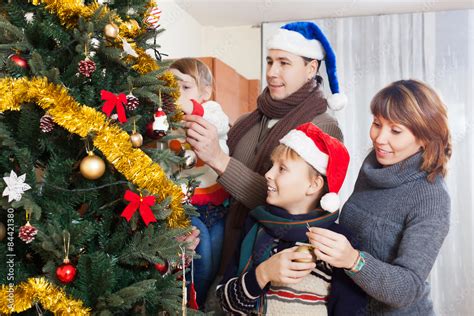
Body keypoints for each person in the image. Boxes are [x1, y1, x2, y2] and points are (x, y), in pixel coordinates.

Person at [184, 22, 347, 279]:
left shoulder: (322, 126)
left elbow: (297, 206)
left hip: (267, 258)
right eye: (270, 61)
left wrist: (219, 159)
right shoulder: (248, 120)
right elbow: (220, 192)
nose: (272, 72)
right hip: (221, 243)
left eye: (284, 63)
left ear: (310, 68)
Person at [306, 79, 452, 315]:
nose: (379, 138)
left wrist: (354, 261)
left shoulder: (431, 197)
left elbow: (408, 288)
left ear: (425, 137)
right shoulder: (375, 166)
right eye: (376, 123)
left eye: (395, 130)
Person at [216, 122, 366, 315]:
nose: (268, 174)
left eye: (282, 169)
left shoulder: (336, 243)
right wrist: (263, 274)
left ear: (313, 184)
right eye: (272, 165)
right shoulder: (255, 226)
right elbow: (224, 302)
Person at [169, 58, 231, 308]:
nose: (176, 94)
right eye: (170, 87)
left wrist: (191, 108)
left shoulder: (212, 110)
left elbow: (220, 125)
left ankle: (206, 303)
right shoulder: (165, 118)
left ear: (204, 93)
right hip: (187, 204)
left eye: (185, 87)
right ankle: (195, 305)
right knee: (200, 259)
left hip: (216, 202)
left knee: (217, 259)